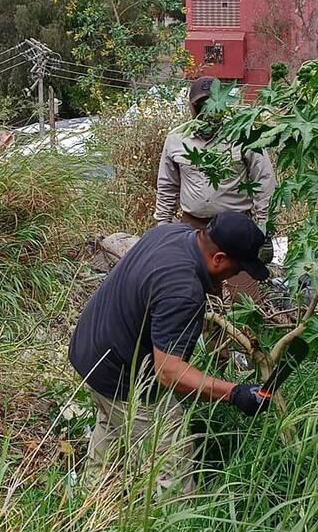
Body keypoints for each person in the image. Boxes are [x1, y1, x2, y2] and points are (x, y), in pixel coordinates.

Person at [69, 212, 273, 496]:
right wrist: (234, 393)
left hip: (90, 351)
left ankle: (89, 505)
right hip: (119, 376)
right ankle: (175, 527)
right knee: (171, 451)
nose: (233, 277)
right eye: (237, 269)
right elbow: (169, 372)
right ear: (218, 259)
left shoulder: (171, 234)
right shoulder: (184, 290)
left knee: (113, 424)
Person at [154, 76, 276, 233]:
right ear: (192, 106)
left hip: (235, 227)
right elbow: (167, 186)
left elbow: (263, 180)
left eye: (212, 104)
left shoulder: (243, 136)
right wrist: (163, 225)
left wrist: (265, 227)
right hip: (192, 226)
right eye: (201, 105)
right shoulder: (176, 139)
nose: (209, 111)